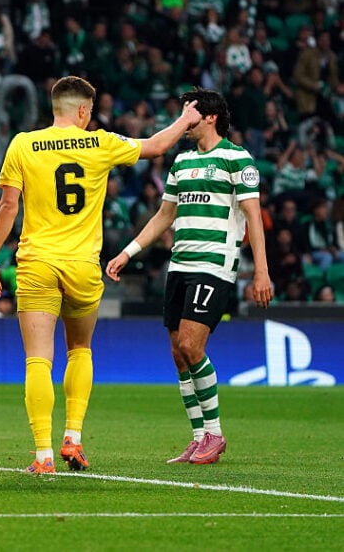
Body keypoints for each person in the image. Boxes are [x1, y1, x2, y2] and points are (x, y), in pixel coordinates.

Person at [0, 76, 202, 474]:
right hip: (84, 266)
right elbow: (156, 146)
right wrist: (186, 118)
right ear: (84, 110)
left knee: (37, 360)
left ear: (55, 107)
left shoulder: (22, 144)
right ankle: (73, 438)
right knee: (79, 350)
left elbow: (7, 208)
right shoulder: (101, 142)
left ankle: (42, 456)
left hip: (38, 264)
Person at [106, 88, 272, 465]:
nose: (183, 119)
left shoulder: (237, 159)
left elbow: (253, 218)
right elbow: (164, 216)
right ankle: (198, 438)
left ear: (209, 117)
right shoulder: (181, 162)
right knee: (179, 354)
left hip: (213, 265)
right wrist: (127, 253)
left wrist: (260, 271)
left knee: (193, 347)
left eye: (188, 113)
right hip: (179, 264)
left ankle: (215, 433)